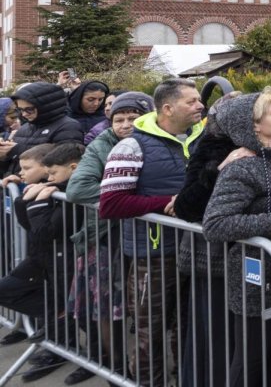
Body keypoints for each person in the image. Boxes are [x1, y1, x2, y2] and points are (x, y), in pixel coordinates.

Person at [202, 89, 271, 387]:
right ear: (254, 126)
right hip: (259, 287)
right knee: (253, 364)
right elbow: (215, 225)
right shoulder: (241, 168)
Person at [99, 78, 204, 387]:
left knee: (186, 328)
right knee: (151, 332)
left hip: (194, 250)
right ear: (168, 108)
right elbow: (111, 203)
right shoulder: (131, 145)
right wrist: (170, 204)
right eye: (192, 101)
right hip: (153, 256)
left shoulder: (200, 139)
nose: (200, 105)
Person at [65, 91, 152, 384]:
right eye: (119, 119)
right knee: (105, 307)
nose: (126, 124)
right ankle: (113, 367)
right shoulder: (101, 146)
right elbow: (77, 190)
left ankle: (143, 367)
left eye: (133, 117)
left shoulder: (155, 143)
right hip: (104, 236)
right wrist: (125, 197)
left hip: (145, 239)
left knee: (143, 309)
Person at [170, 91, 245, 387]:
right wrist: (219, 169)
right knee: (214, 335)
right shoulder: (212, 146)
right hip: (214, 262)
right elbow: (187, 204)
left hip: (246, 265)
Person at [0, 142, 84, 382]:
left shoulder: (62, 192)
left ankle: (83, 357)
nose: (22, 171)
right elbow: (30, 228)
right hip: (42, 258)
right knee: (7, 289)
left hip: (63, 259)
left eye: (27, 167)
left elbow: (44, 231)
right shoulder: (44, 187)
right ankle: (57, 326)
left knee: (88, 320)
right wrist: (21, 196)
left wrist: (35, 202)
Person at [7, 82, 83, 175]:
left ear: (45, 106)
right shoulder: (24, 128)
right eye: (20, 110)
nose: (24, 114)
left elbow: (64, 161)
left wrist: (16, 149)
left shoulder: (69, 127)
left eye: (29, 109)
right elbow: (13, 165)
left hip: (46, 186)